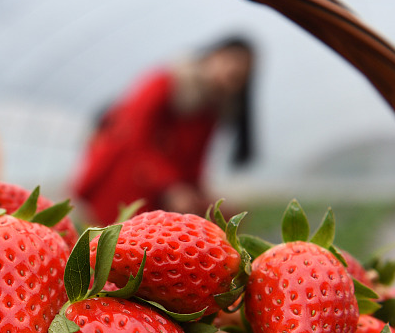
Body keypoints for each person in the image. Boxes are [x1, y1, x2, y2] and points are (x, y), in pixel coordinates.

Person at [71, 36, 256, 226]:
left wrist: (201, 197)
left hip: (156, 195)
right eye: (231, 62)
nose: (234, 71)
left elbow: (194, 163)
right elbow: (132, 139)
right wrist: (170, 185)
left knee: (140, 248)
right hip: (123, 183)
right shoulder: (165, 83)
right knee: (115, 242)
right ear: (213, 56)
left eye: (242, 72)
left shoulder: (211, 109)